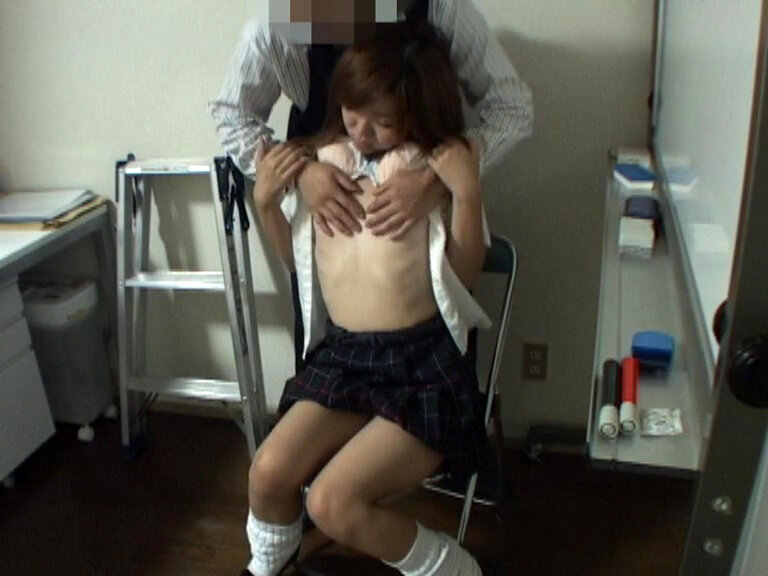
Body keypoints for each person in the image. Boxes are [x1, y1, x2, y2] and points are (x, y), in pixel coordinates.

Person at [244, 21, 496, 576]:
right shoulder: (319, 165)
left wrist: (466, 191)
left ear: (416, 113)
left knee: (330, 503)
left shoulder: (431, 169)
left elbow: (464, 278)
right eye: (353, 113)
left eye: (382, 122)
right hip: (344, 359)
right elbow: (301, 266)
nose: (362, 133)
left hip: (421, 368)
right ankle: (270, 565)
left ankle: (456, 569)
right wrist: (266, 205)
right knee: (266, 473)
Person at [209, 0, 533, 370]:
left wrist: (442, 179)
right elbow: (231, 113)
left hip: (425, 331)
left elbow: (512, 108)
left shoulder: (443, 10)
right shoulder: (281, 25)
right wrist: (299, 172)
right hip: (333, 288)